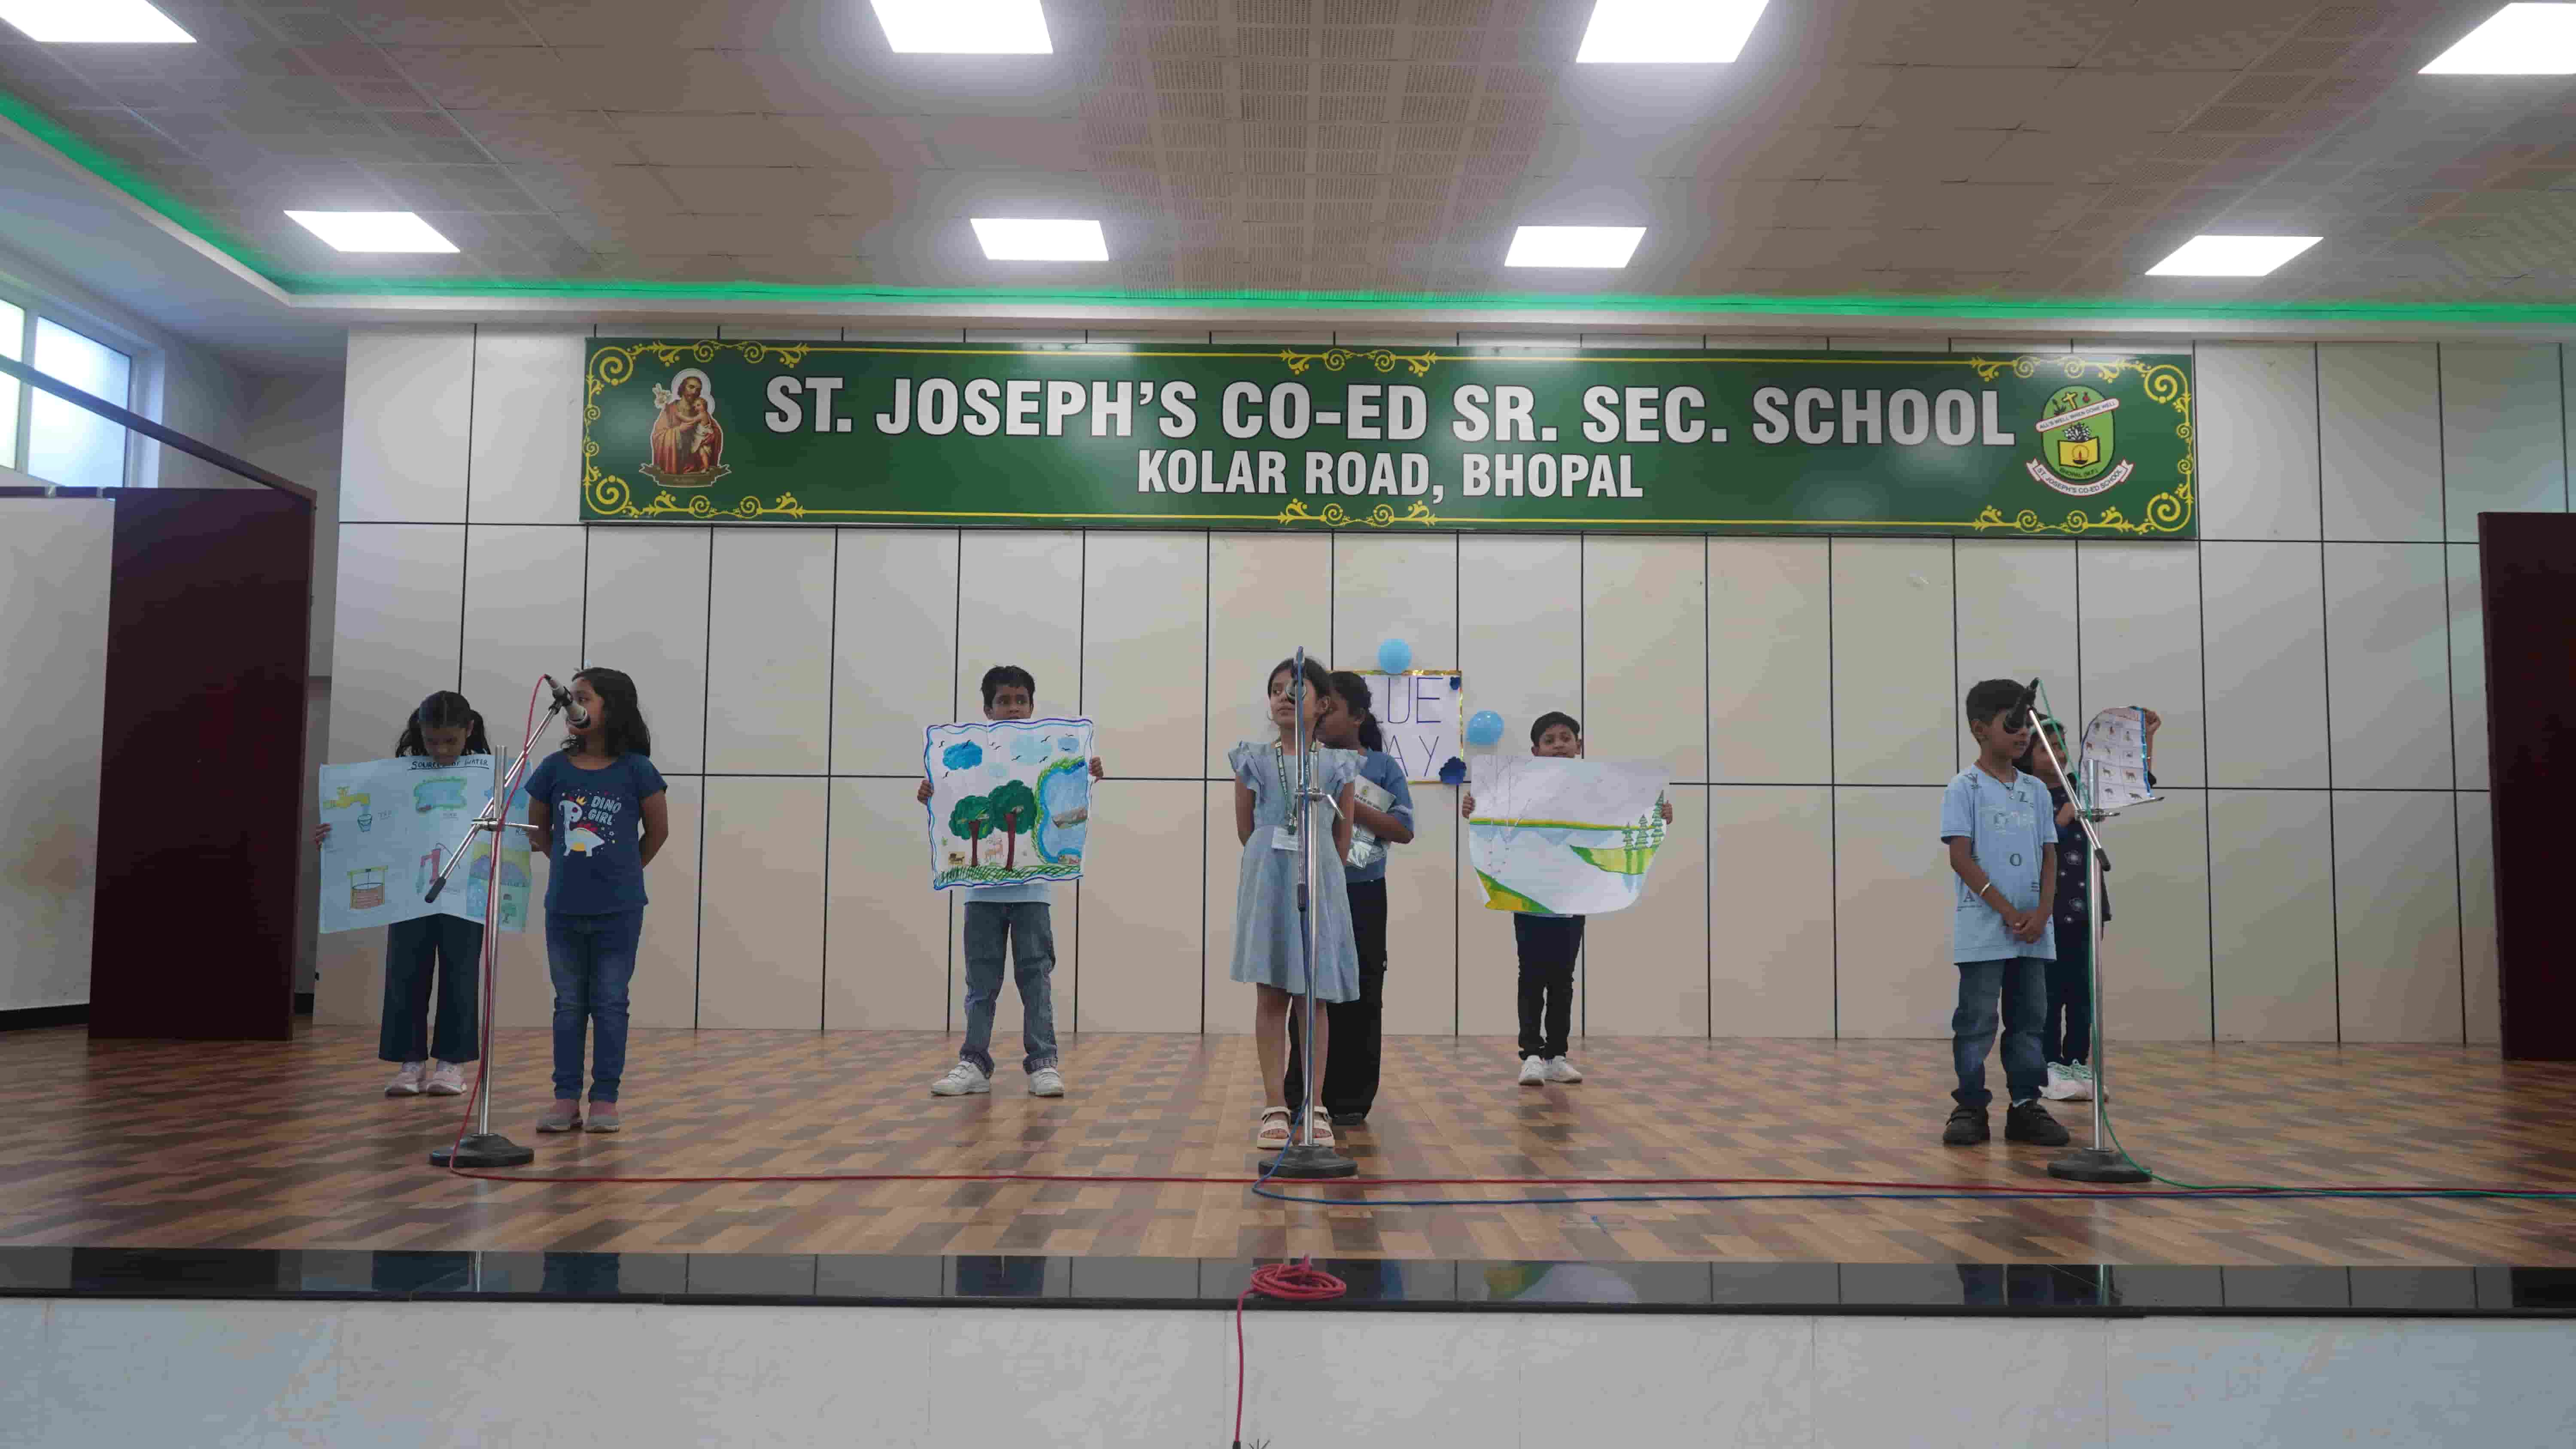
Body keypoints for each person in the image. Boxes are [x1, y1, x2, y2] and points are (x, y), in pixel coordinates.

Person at [921, 665, 1106, 1099]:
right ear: (987, 709)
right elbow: (951, 808)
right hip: (980, 894)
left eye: (1021, 700)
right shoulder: (965, 759)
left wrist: (1087, 771)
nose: (1013, 708)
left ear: (1032, 706)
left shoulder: (1045, 752)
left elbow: (1066, 795)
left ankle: (1043, 1064)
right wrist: (933, 792)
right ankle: (974, 1062)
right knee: (980, 982)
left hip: (1032, 894)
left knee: (1035, 979)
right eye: (1004, 701)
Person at [1461, 712, 1673, 1088]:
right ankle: (1530, 1056)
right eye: (1549, 740)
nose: (1558, 745)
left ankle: (1557, 1055)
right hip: (1528, 897)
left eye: (1565, 738)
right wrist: (1474, 810)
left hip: (1575, 897)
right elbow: (1493, 819)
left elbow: (1627, 814)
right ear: (1535, 750)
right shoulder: (1519, 786)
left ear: (1579, 745)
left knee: (1562, 979)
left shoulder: (1597, 787)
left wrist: (1658, 816)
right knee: (1531, 977)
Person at [313, 691, 490, 1099]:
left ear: (469, 731)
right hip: (408, 892)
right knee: (405, 973)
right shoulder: (397, 775)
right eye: (432, 742)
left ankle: (451, 1063)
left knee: (460, 975)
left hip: (463, 894)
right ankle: (410, 1063)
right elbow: (372, 823)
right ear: (420, 734)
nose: (441, 750)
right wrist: (335, 833)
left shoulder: (486, 775)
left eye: (450, 741)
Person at [522, 668, 669, 1135]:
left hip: (620, 910)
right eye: (571, 697)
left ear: (612, 709)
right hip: (564, 907)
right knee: (568, 1004)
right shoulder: (553, 769)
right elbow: (539, 831)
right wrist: (571, 869)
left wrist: (624, 873)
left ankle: (605, 1097)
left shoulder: (637, 770)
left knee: (609, 1002)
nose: (572, 705)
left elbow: (658, 831)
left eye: (583, 697)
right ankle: (565, 1097)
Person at [1231, 655, 1361, 1149]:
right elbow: (1246, 829)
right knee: (1271, 993)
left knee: (1314, 996)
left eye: (1297, 688)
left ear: (1322, 704)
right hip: (1270, 874)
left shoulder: (1336, 763)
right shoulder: (1252, 758)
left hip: (1320, 873)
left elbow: (1343, 832)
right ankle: (1274, 1104)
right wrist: (1276, 856)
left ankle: (1315, 1104)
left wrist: (1321, 864)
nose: (1285, 696)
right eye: (1277, 688)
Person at [1937, 680, 2070, 1148]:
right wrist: (2009, 911)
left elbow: (2049, 856)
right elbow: (1961, 857)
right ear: (1979, 729)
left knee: (2031, 1019)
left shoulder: (2036, 791)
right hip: (1984, 930)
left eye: (2027, 727)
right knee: (1976, 1020)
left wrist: (2042, 914)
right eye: (2013, 725)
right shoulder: (1964, 788)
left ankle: (2024, 1105)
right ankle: (1971, 1105)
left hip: (2036, 932)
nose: (2023, 736)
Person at [1283, 670, 1416, 1126]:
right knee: (1310, 989)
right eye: (1316, 705)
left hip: (1363, 893)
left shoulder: (1382, 767)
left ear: (1357, 716)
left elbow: (1404, 830)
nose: (1320, 715)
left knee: (1362, 991)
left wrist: (1349, 802)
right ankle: (1304, 1092)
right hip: (1313, 889)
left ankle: (1352, 1098)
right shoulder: (1304, 760)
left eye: (1330, 707)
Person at [2020, 708, 2160, 1102]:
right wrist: (2064, 817)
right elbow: (2033, 844)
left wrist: (2146, 739)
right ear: (2028, 754)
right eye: (2046, 749)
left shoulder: (2082, 784)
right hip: (2047, 907)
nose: (2058, 755)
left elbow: (2131, 783)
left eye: (2062, 747)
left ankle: (2079, 1062)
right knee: (2049, 992)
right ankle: (2049, 1065)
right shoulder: (2023, 791)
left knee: (2083, 991)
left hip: (2086, 904)